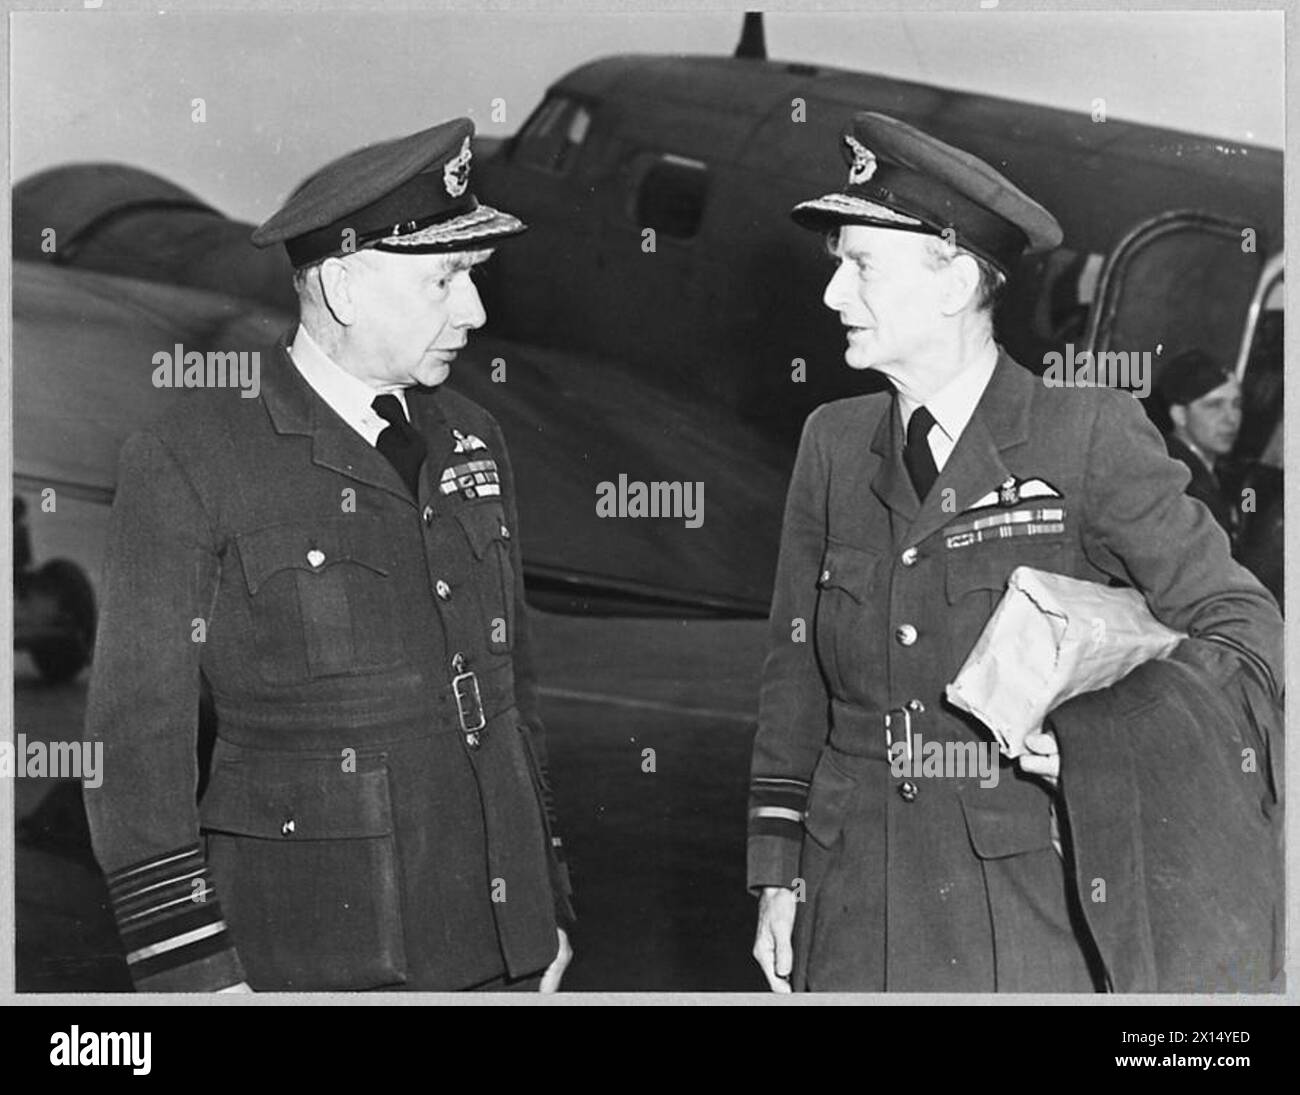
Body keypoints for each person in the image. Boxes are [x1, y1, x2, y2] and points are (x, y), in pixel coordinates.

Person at [747, 112, 1283, 992]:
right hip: (850, 912)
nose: (834, 294)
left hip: (1023, 923)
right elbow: (794, 675)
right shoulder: (833, 443)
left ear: (955, 279)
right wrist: (776, 872)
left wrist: (1103, 742)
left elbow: (1246, 632)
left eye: (860, 265)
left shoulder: (1086, 436)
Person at [83, 118, 573, 992]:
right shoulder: (193, 458)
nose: (477, 311)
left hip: (505, 947)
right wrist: (192, 970)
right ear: (343, 286)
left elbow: (512, 694)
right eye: (447, 279)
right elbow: (135, 739)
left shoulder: (474, 437)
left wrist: (550, 904)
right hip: (314, 957)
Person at [1155, 348, 1243, 542]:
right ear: (1180, 415)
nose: (1231, 418)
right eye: (1214, 405)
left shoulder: (1220, 475)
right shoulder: (1172, 476)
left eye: (1236, 404)